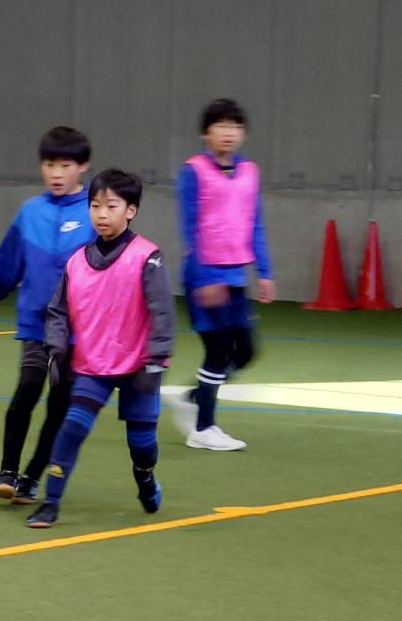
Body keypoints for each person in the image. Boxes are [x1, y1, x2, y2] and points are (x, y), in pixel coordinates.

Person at [26, 169, 173, 529]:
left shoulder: (147, 257)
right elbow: (58, 311)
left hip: (139, 366)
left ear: (131, 211)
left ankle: (145, 476)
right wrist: (56, 350)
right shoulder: (77, 261)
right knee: (71, 429)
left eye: (111, 206)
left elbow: (162, 312)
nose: (101, 214)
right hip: (93, 365)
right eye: (95, 206)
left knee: (142, 444)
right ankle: (51, 502)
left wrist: (156, 359)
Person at [0, 126, 93, 505]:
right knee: (25, 392)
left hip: (78, 332)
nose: (56, 173)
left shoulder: (95, 213)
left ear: (83, 166)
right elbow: (9, 262)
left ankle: (31, 478)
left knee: (59, 407)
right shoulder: (31, 212)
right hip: (37, 326)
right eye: (49, 165)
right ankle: (7, 472)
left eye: (65, 165)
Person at [168, 99, 274, 452]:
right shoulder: (193, 171)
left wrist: (264, 271)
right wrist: (204, 278)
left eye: (235, 126)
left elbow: (255, 223)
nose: (229, 133)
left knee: (245, 352)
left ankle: (193, 397)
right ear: (206, 133)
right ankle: (204, 428)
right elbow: (190, 229)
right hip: (204, 276)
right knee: (218, 349)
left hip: (236, 276)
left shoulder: (250, 172)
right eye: (221, 126)